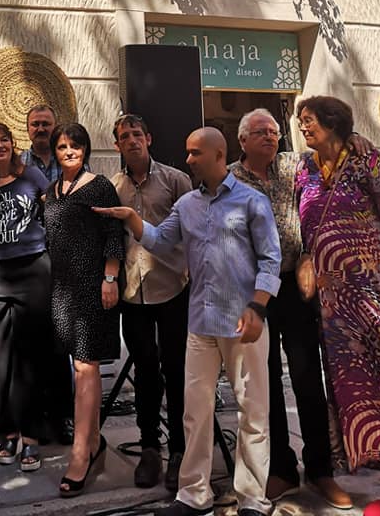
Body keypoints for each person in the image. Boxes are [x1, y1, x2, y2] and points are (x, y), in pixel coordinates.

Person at [96, 127, 281, 516]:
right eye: (188, 152)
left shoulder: (253, 201)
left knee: (252, 412)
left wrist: (258, 307)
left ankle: (252, 499)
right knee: (195, 412)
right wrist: (132, 218)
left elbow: (270, 259)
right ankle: (194, 494)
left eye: (196, 153)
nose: (188, 160)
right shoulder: (187, 205)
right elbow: (161, 241)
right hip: (200, 323)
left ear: (219, 154)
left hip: (242, 323)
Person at [229, 108, 351, 510]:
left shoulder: (295, 166)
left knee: (307, 377)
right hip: (255, 293)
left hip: (297, 288)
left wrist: (310, 257)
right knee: (264, 383)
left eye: (274, 131)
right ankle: (280, 469)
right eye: (260, 132)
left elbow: (321, 201)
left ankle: (320, 469)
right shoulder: (231, 178)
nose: (271, 137)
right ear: (242, 140)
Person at [295, 96, 380, 516]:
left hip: (376, 293)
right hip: (333, 305)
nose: (303, 127)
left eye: (309, 120)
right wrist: (306, 257)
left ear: (334, 122)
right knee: (357, 389)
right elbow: (303, 224)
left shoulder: (366, 159)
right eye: (300, 121)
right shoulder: (304, 168)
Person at [43, 122, 125, 498]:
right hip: (62, 290)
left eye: (75, 145)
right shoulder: (51, 192)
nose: (69, 151)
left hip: (94, 286)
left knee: (85, 367)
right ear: (54, 151)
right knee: (77, 366)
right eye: (62, 146)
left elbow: (113, 234)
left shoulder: (99, 186)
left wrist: (110, 278)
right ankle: (93, 441)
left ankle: (80, 454)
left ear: (86, 148)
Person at [111, 113, 191, 491]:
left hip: (172, 287)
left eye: (136, 134)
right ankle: (148, 448)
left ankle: (179, 449)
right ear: (117, 145)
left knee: (176, 370)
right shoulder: (113, 187)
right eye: (124, 136)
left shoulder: (176, 181)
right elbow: (112, 239)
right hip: (132, 293)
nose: (131, 140)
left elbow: (193, 230)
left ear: (149, 138)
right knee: (144, 371)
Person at [0, 121, 51, 473]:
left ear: (12, 143)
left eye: (4, 139)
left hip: (33, 269)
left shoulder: (31, 176)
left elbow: (54, 213)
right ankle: (8, 432)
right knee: (0, 361)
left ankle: (31, 436)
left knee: (30, 359)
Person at [21, 103, 74, 446]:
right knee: (32, 343)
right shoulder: (18, 164)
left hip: (63, 260)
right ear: (27, 129)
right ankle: (37, 417)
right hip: (29, 263)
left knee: (60, 342)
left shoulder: (68, 161)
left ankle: (64, 415)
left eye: (46, 123)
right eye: (35, 124)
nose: (41, 129)